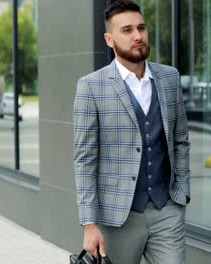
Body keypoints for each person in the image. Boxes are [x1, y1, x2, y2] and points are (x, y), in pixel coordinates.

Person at [73, 1, 191, 263]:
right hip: (118, 218)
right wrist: (89, 224)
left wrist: (181, 191)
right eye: (126, 30)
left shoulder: (169, 78)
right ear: (109, 39)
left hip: (167, 211)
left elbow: (181, 139)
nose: (137, 36)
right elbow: (85, 159)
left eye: (141, 28)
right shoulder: (91, 87)